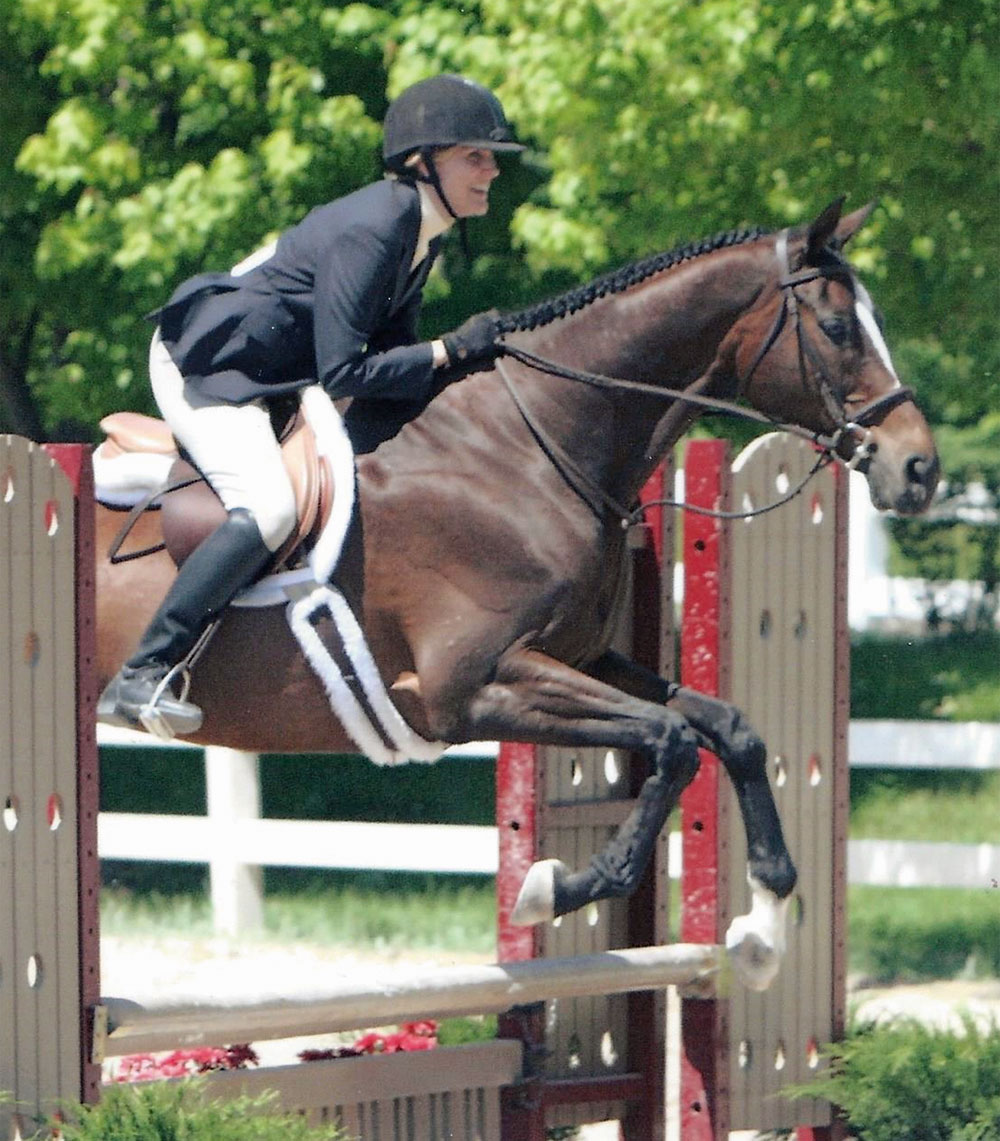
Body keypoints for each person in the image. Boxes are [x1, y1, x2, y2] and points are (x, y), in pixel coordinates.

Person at [98, 74, 525, 737]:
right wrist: (447, 352)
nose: (492, 169)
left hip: (270, 371)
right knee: (270, 506)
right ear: (422, 162)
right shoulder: (379, 227)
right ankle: (142, 674)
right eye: (475, 155)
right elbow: (347, 369)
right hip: (208, 365)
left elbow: (392, 354)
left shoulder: (420, 233)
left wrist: (459, 364)